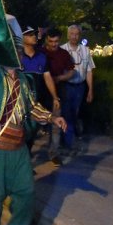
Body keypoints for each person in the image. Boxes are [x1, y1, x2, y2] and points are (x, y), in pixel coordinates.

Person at [0, 65, 67, 225]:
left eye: (18, 49)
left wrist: (52, 118)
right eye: (15, 49)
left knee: (26, 189)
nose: (18, 54)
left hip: (18, 145)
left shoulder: (24, 79)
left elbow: (32, 106)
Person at [20, 27, 60, 152]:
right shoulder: (17, 57)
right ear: (22, 37)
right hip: (21, 101)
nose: (34, 36)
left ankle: (27, 156)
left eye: (34, 34)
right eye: (30, 34)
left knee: (32, 129)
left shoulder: (42, 57)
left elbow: (47, 77)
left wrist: (54, 97)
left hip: (37, 100)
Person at [42, 28, 75, 166]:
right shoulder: (41, 53)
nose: (54, 44)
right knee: (34, 125)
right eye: (51, 41)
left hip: (58, 93)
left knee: (56, 125)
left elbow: (72, 72)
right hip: (41, 93)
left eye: (56, 41)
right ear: (46, 40)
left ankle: (54, 153)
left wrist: (61, 77)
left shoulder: (64, 54)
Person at [61, 25, 95, 153]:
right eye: (72, 34)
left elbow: (89, 71)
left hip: (80, 87)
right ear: (68, 35)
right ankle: (69, 142)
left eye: (77, 34)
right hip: (67, 86)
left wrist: (90, 89)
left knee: (74, 113)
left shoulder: (85, 50)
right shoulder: (62, 49)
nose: (74, 36)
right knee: (67, 114)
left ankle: (68, 139)